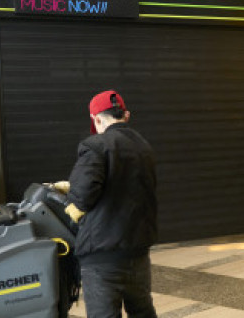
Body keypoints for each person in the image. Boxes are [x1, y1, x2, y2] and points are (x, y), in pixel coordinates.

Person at [54, 90, 158, 318]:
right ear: (126, 116)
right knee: (143, 312)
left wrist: (72, 204)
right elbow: (123, 186)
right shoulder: (144, 147)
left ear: (97, 119)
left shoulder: (95, 145)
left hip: (102, 258)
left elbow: (82, 199)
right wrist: (73, 186)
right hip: (137, 252)